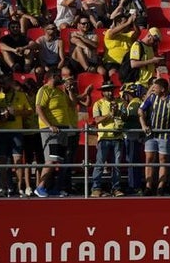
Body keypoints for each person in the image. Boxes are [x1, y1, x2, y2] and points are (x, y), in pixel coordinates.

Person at [138, 77, 170, 196]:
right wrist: (143, 124)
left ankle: (161, 187)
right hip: (151, 133)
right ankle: (148, 186)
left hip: (165, 134)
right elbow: (141, 110)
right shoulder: (152, 98)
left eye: (155, 87)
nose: (154, 89)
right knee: (149, 159)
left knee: (163, 160)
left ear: (162, 89)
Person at [33, 68, 80, 198]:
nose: (62, 78)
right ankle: (40, 187)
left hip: (62, 129)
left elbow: (72, 104)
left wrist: (70, 90)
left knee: (58, 160)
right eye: (59, 76)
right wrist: (49, 125)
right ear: (52, 76)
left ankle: (52, 188)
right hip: (51, 130)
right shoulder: (44, 90)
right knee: (51, 160)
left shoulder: (59, 91)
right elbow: (38, 108)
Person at [89, 82, 126, 197]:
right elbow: (97, 120)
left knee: (117, 165)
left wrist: (118, 112)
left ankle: (116, 188)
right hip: (104, 137)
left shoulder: (121, 102)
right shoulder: (98, 104)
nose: (110, 92)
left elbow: (125, 117)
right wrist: (110, 114)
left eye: (111, 90)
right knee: (99, 164)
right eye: (107, 90)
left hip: (118, 137)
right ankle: (96, 188)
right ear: (102, 92)